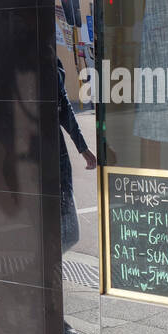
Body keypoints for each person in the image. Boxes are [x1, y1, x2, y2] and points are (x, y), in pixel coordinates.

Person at [58, 59, 96, 251]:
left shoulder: (50, 58)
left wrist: (83, 148)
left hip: (53, 154)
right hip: (30, 155)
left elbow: (63, 105)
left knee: (68, 233)